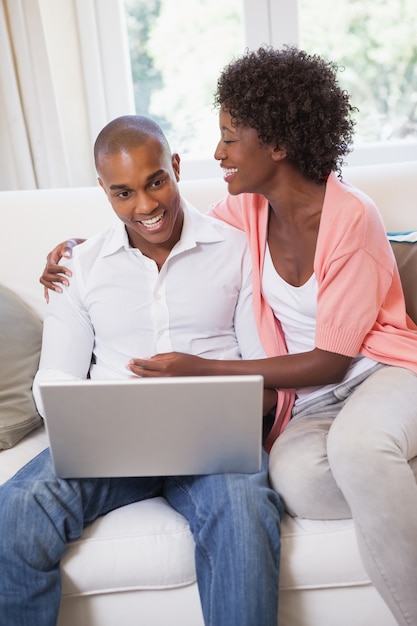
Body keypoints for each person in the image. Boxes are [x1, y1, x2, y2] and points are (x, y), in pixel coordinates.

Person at [43, 47, 417, 626]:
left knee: (356, 450)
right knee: (299, 482)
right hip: (308, 406)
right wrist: (80, 249)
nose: (217, 153)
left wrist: (199, 368)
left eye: (228, 137)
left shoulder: (352, 217)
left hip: (376, 371)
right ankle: (391, 467)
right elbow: (160, 223)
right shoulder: (242, 213)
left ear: (278, 146)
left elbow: (332, 360)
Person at [0, 115, 284, 626]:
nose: (146, 206)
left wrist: (201, 380)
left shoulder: (236, 250)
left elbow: (262, 371)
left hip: (211, 444)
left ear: (175, 166)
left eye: (156, 182)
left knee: (243, 508)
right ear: (105, 192)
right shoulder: (79, 265)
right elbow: (55, 380)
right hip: (110, 447)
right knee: (18, 506)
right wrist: (86, 414)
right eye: (123, 193)